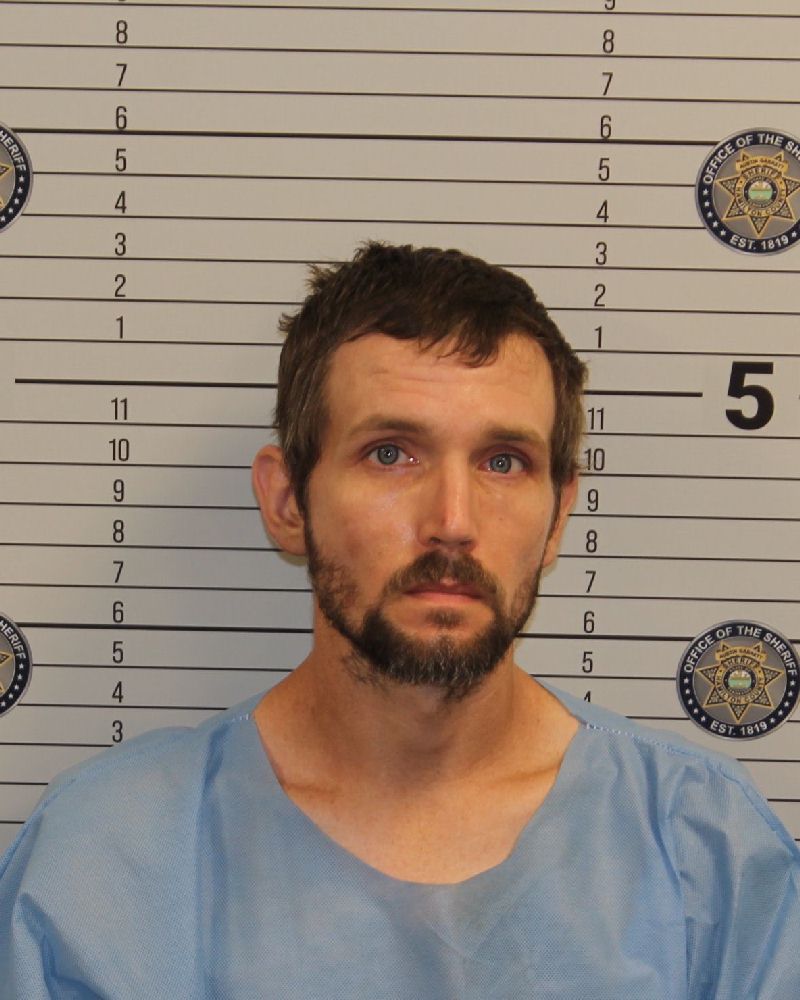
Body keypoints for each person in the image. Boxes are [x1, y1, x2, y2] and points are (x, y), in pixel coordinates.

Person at [1, 242, 797, 999]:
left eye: (503, 463)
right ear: (287, 501)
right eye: (390, 453)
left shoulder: (705, 852)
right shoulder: (106, 865)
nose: (452, 522)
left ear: (557, 517)